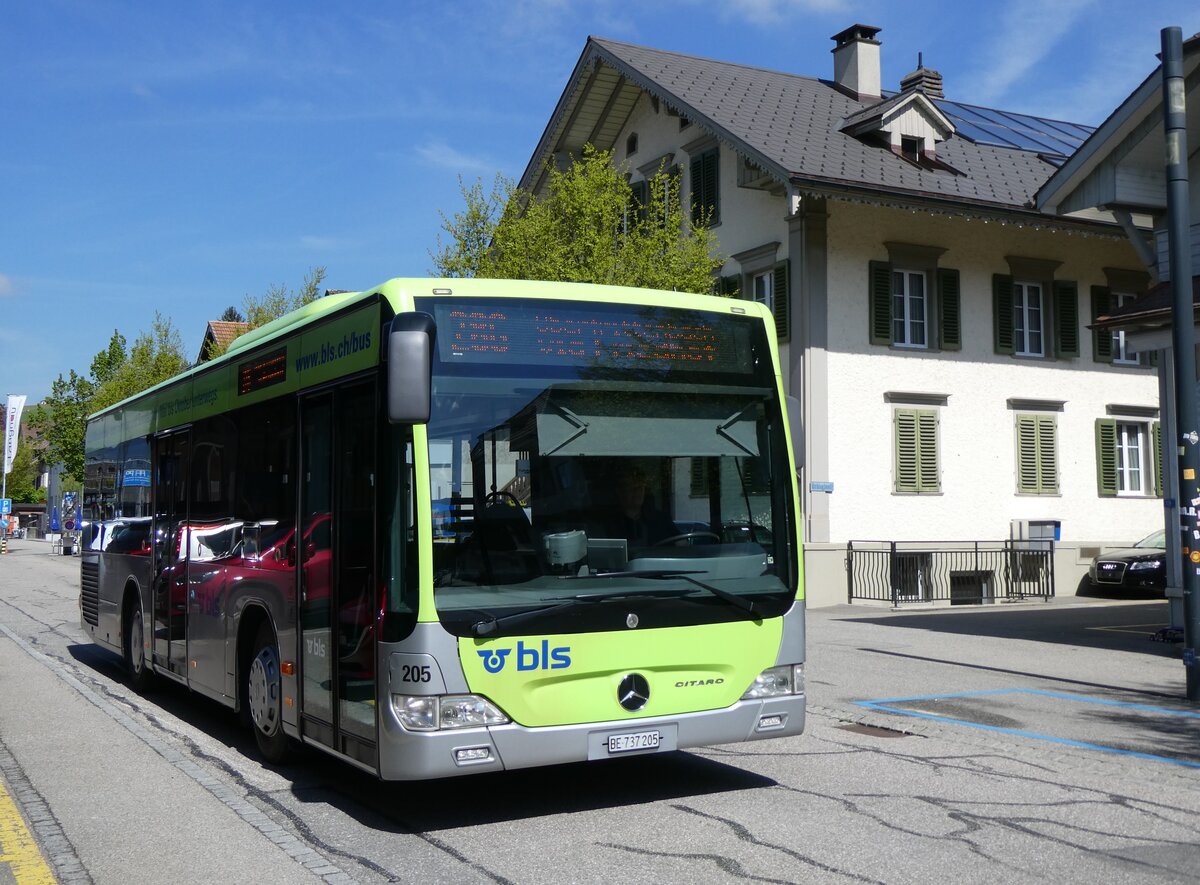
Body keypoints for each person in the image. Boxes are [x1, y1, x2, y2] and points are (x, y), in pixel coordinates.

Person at [605, 464, 677, 546]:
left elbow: (680, 543)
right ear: (619, 491)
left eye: (640, 487)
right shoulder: (608, 524)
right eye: (632, 487)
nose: (637, 492)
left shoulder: (661, 519)